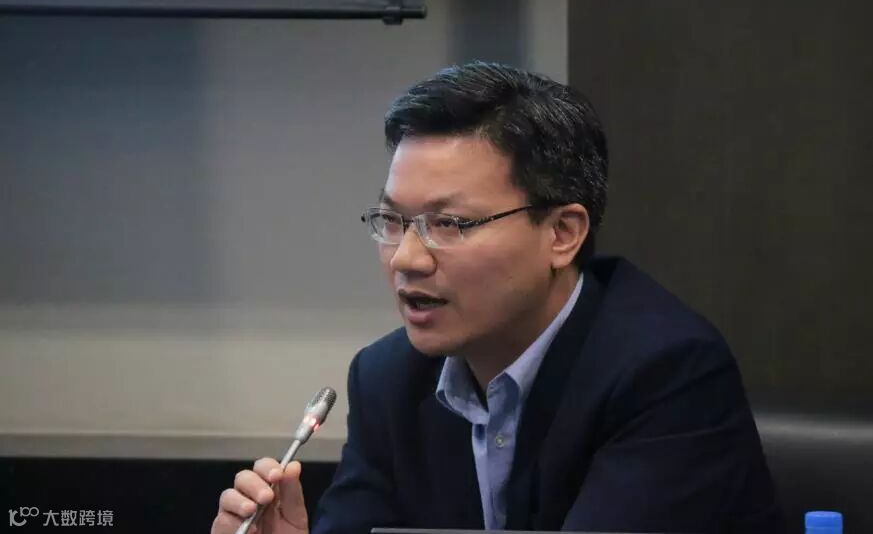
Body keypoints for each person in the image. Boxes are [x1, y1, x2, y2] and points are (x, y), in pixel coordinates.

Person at [212, 62, 784, 534]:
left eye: (450, 224)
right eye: (392, 220)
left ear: (562, 233)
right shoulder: (389, 379)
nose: (407, 258)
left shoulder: (666, 373)